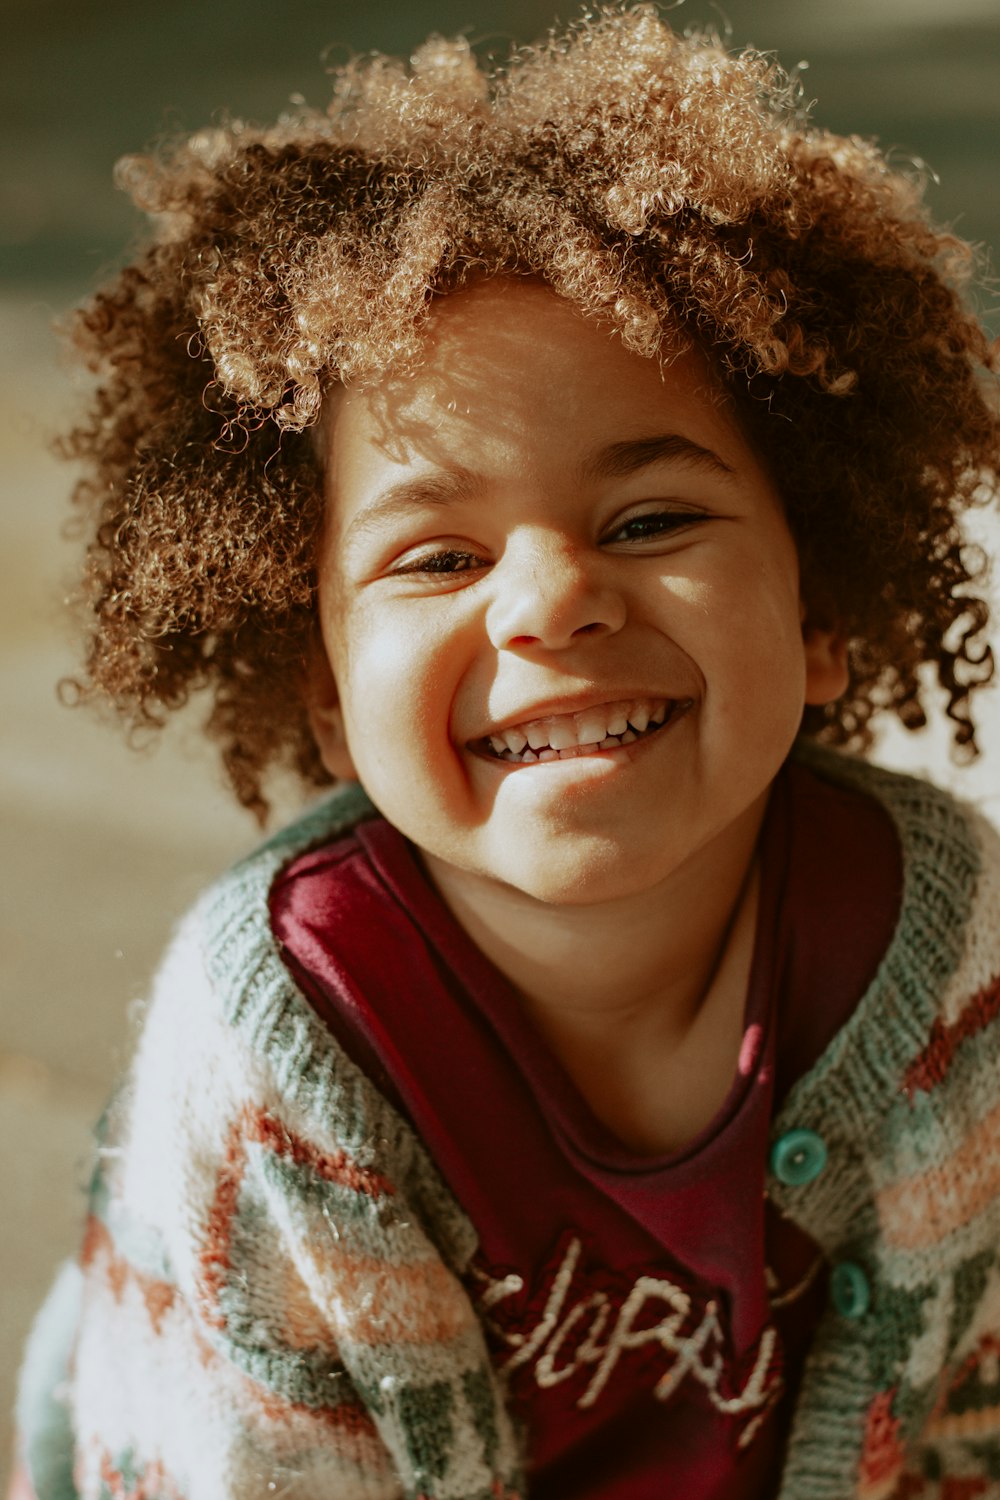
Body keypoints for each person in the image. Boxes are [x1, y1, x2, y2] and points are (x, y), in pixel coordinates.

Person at [11, 7, 1000, 1498]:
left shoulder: (941, 964)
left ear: (822, 615)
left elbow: (966, 1417)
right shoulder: (284, 1051)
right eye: (433, 557)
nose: (549, 601)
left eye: (652, 520)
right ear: (332, 697)